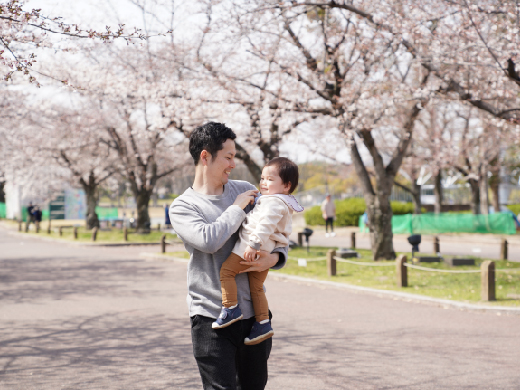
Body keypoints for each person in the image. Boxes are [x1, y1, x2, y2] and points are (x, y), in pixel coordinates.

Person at [169, 122, 288, 390]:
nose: (233, 164)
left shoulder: (244, 188)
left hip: (254, 317)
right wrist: (236, 209)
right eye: (228, 157)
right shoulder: (183, 207)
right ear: (205, 156)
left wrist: (276, 258)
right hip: (211, 319)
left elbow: (276, 225)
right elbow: (209, 240)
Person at [213, 157, 303, 346]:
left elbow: (266, 224)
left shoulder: (273, 202)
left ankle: (230, 307)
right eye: (262, 178)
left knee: (227, 272)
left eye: (270, 179)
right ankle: (262, 322)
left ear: (286, 186)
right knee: (256, 288)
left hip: (251, 247)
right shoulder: (281, 201)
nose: (263, 183)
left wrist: (253, 244)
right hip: (266, 250)